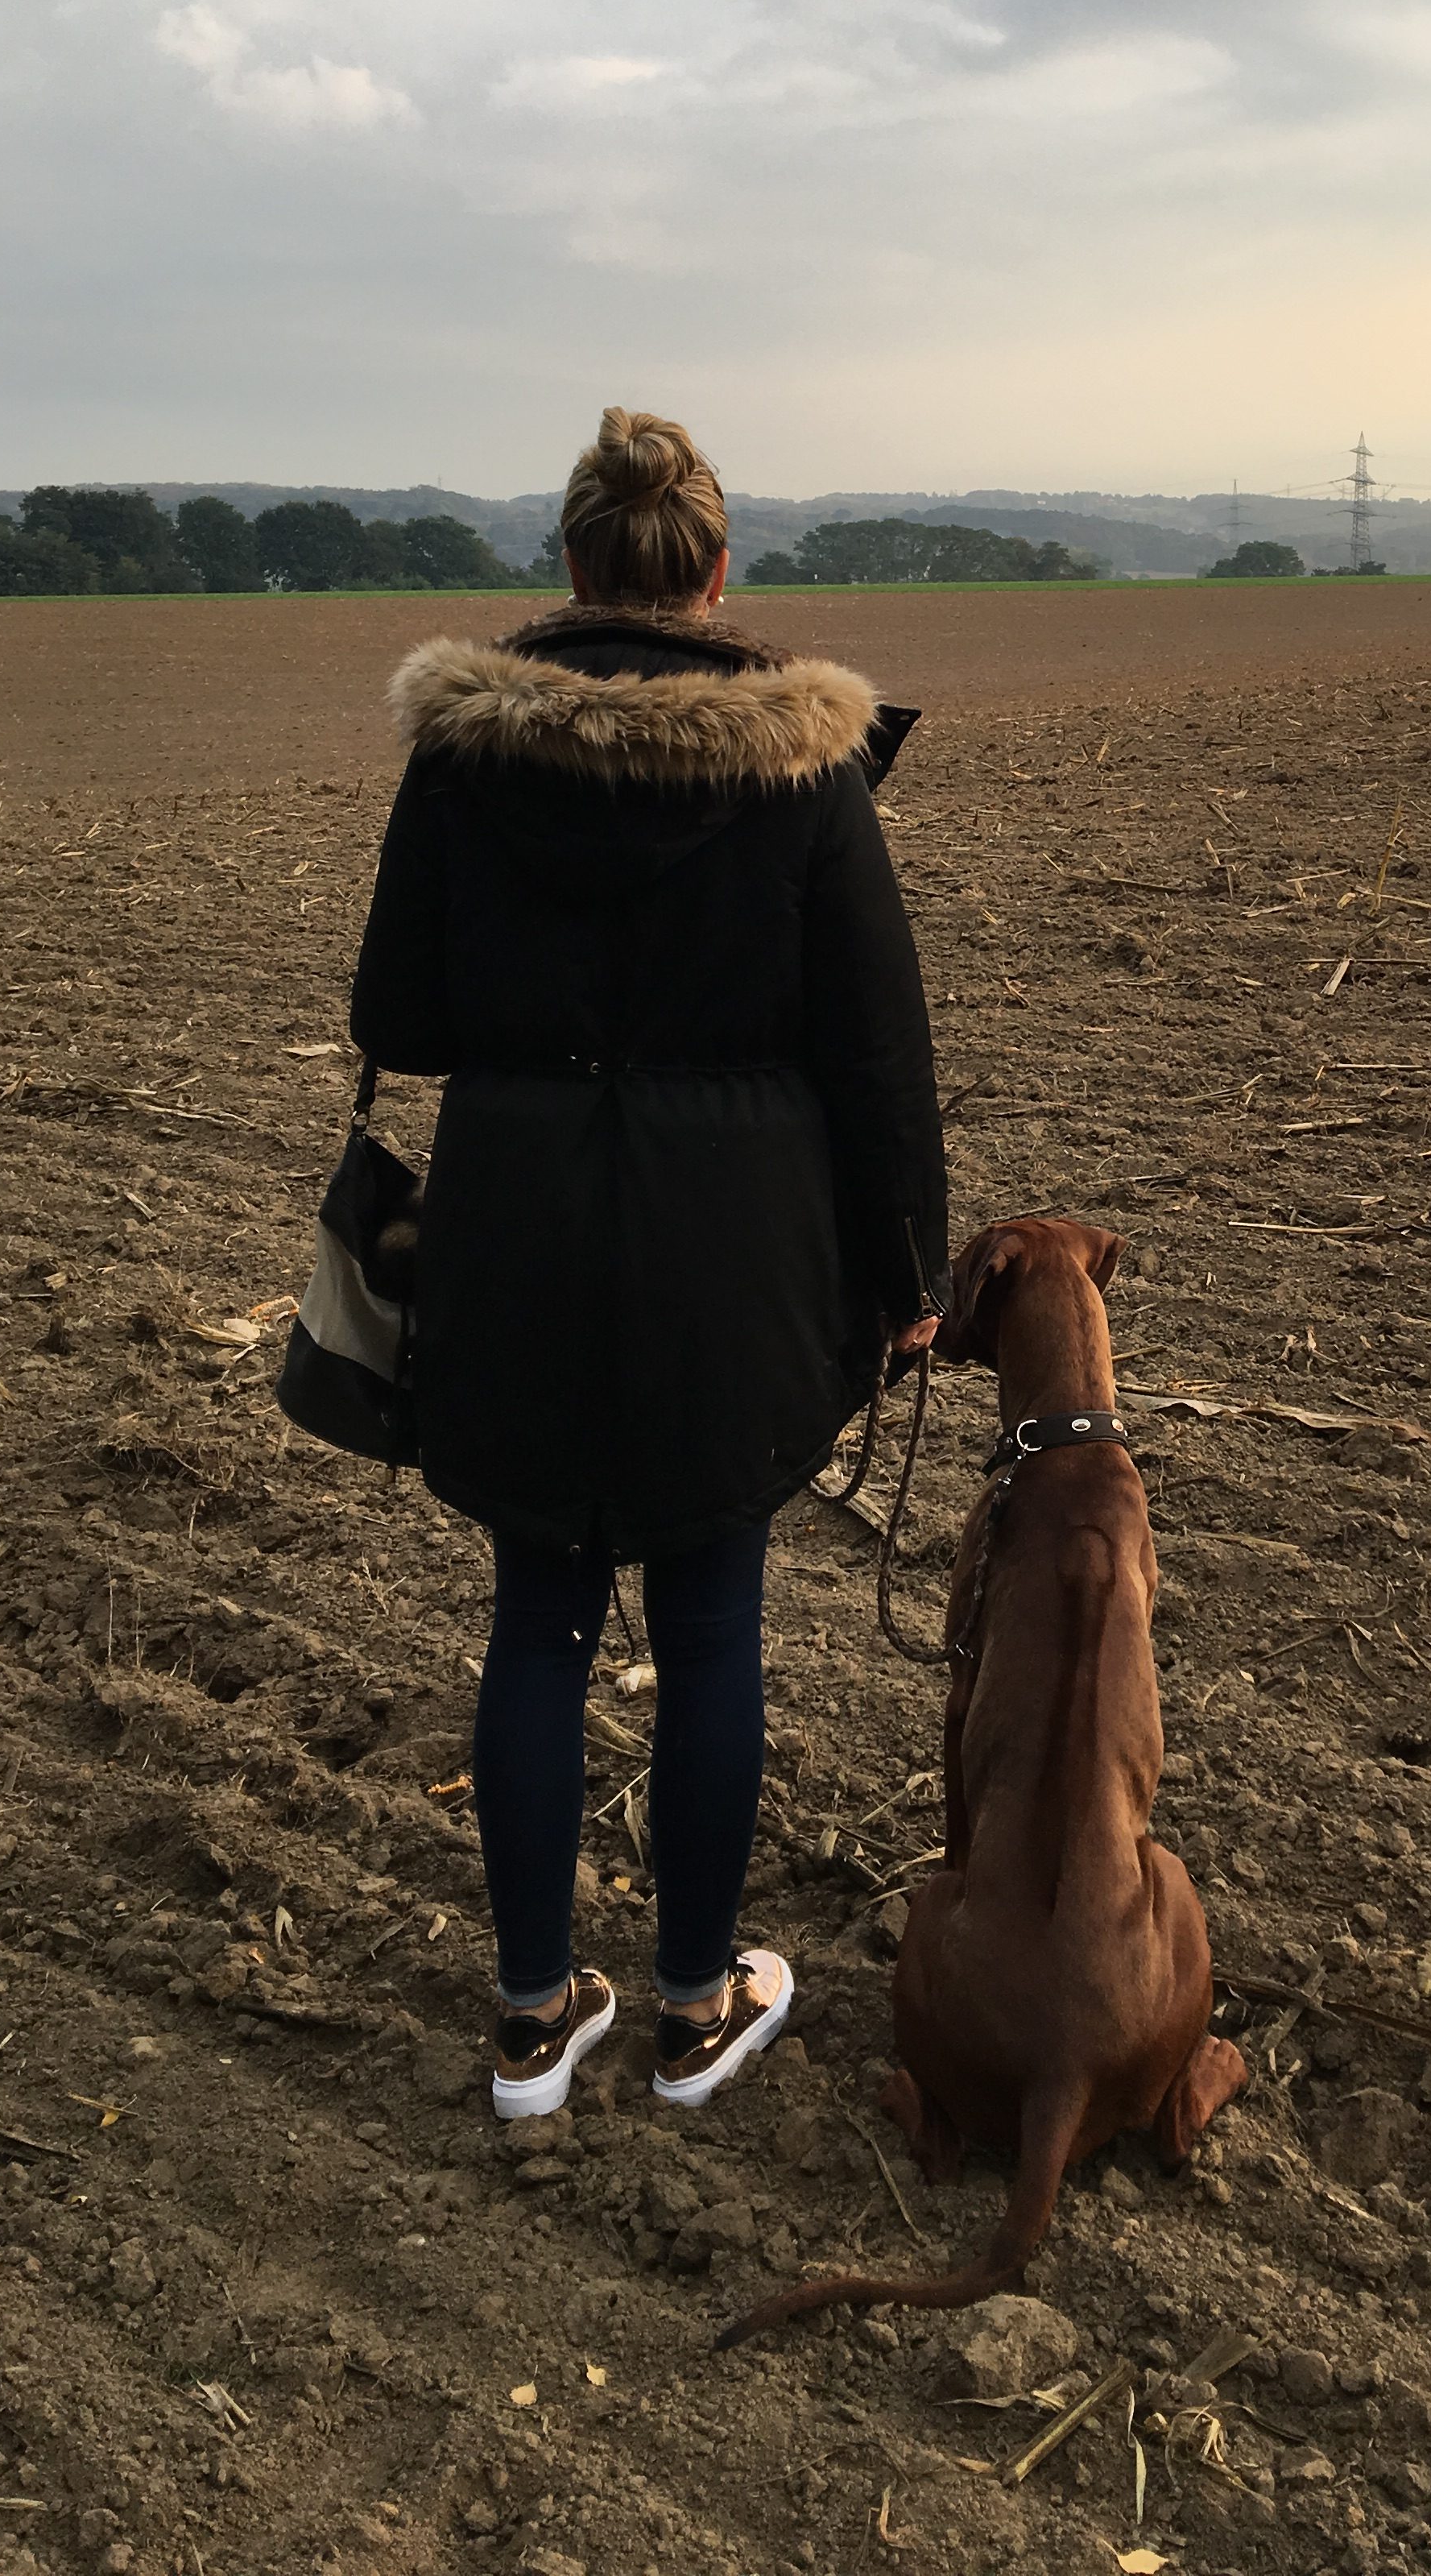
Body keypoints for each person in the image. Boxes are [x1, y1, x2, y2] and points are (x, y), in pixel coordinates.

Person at [349, 408, 946, 2118]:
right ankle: (696, 2011)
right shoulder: (804, 769)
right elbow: (878, 1051)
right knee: (711, 1617)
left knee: (536, 1618)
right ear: (717, 568)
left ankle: (533, 2025)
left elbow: (397, 1015)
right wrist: (909, 1270)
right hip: (734, 1255)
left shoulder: (467, 759)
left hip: (518, 1230)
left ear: (571, 564)